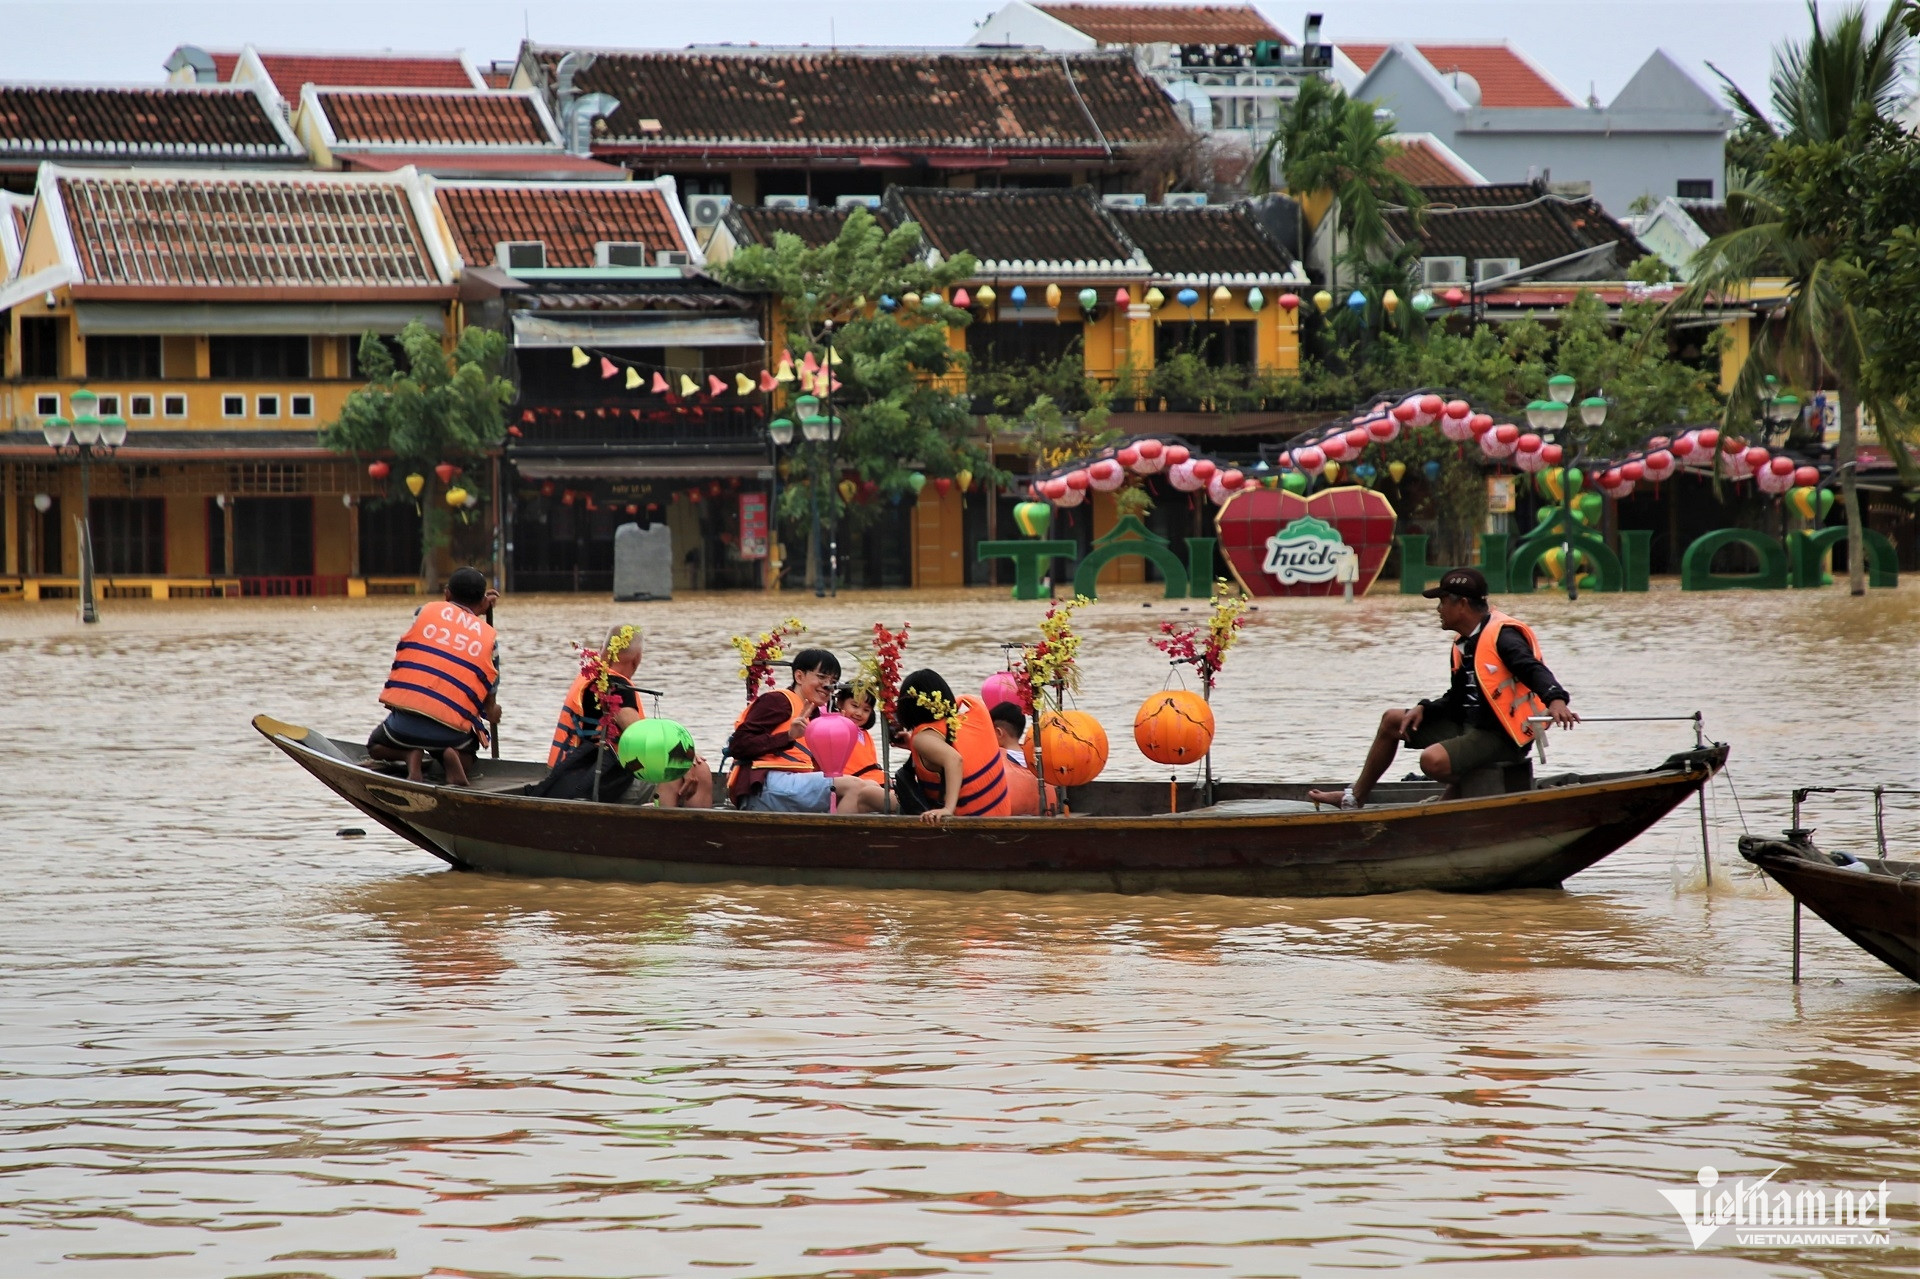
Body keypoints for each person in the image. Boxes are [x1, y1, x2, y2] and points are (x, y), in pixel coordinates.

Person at [1309, 567, 1577, 809]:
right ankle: (1354, 798)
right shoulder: (1465, 642)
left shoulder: (1503, 636)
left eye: (1442, 601)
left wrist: (1555, 699)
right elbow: (1458, 698)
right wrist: (1425, 707)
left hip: (1501, 736)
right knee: (1393, 720)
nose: (1438, 609)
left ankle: (1463, 792)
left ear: (1461, 604)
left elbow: (1532, 669)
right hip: (1470, 726)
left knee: (1432, 761)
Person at [530, 624, 713, 806]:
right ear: (637, 658)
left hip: (566, 774)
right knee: (696, 769)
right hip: (597, 781)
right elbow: (643, 736)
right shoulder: (616, 688)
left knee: (673, 767)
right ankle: (673, 830)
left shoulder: (593, 677)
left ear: (604, 650)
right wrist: (686, 759)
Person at [367, 567, 500, 787]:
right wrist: (494, 713)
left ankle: (410, 755)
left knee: (375, 746)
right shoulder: (490, 641)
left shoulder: (423, 613)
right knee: (467, 758)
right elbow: (489, 704)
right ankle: (449, 756)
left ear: (447, 594)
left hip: (404, 727)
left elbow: (450, 624)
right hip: (452, 735)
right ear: (481, 602)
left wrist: (476, 609)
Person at [727, 649, 889, 813]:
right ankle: (834, 838)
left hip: (792, 785)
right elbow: (738, 745)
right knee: (853, 786)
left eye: (833, 680)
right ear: (799, 676)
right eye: (821, 677)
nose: (827, 685)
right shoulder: (778, 701)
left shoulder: (816, 714)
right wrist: (788, 736)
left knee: (870, 787)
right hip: (762, 786)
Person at [895, 670, 1012, 824]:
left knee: (891, 801)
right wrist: (913, 745)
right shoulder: (976, 709)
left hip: (968, 826)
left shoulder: (922, 738)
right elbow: (957, 744)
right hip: (1002, 817)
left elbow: (954, 759)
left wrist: (948, 809)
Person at [989, 700, 1052, 817]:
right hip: (1044, 814)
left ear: (998, 732)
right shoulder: (1036, 758)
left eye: (988, 731)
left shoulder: (994, 762)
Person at [830, 685, 887, 785]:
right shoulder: (832, 728)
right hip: (854, 785)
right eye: (855, 706)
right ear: (839, 703)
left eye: (866, 710)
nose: (859, 713)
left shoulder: (864, 734)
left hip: (877, 781)